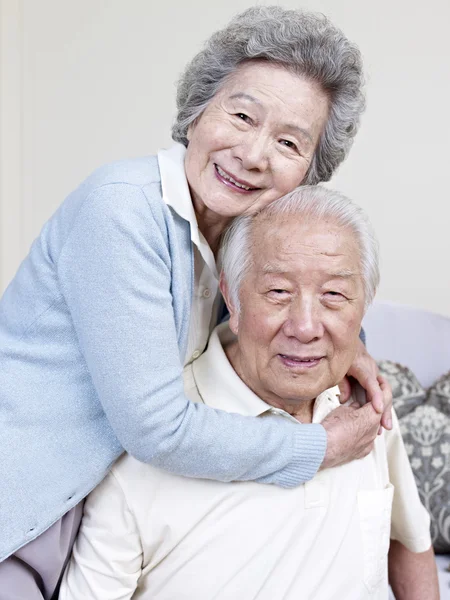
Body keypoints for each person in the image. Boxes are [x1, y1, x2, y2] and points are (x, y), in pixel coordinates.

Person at [0, 6, 391, 598]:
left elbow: (282, 305)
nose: (255, 154)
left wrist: (352, 350)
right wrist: (321, 447)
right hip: (27, 506)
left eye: (288, 142)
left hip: (102, 507)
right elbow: (157, 430)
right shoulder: (123, 211)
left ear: (312, 171)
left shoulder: (236, 234)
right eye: (241, 115)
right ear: (197, 110)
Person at [60, 186, 438, 600]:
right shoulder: (151, 440)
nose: (306, 326)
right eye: (278, 292)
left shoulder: (367, 407)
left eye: (334, 295)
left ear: (364, 304)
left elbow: (409, 542)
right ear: (231, 299)